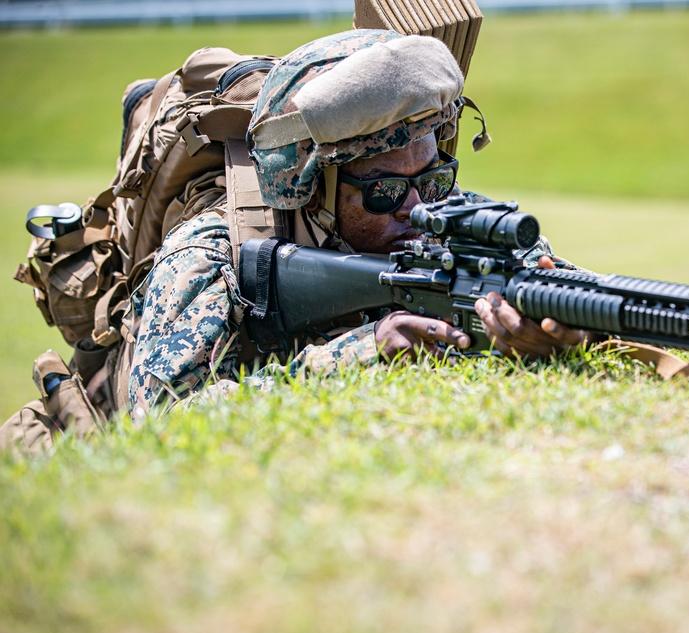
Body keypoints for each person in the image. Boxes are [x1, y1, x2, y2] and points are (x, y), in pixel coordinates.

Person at [1, 29, 590, 446]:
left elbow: (558, 286)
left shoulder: (436, 210)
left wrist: (555, 323)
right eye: (384, 192)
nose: (417, 208)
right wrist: (361, 351)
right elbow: (163, 423)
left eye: (433, 177)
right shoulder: (211, 252)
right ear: (311, 189)